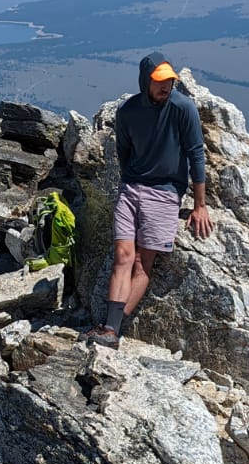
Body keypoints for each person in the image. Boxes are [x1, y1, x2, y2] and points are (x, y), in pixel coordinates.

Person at [88, 54, 212, 349]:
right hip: (132, 187)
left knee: (143, 264)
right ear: (146, 81)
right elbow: (124, 151)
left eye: (169, 80)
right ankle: (109, 329)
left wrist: (199, 205)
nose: (166, 86)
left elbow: (196, 154)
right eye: (159, 81)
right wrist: (130, 181)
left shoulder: (183, 108)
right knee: (122, 256)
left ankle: (111, 329)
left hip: (166, 191)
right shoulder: (128, 111)